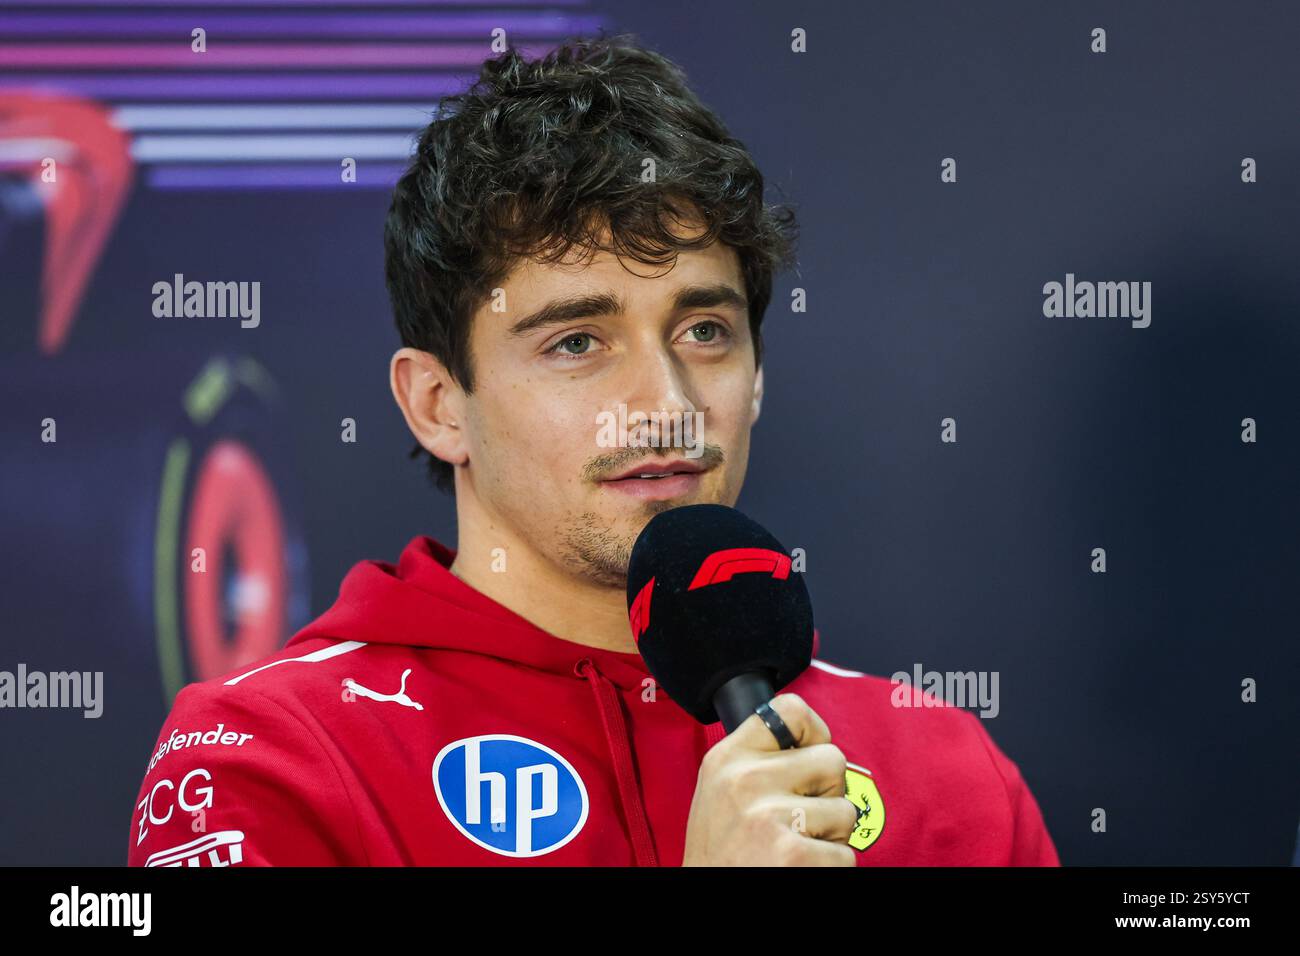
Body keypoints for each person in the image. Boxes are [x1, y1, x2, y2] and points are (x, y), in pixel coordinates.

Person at [127, 34, 1059, 867]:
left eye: (704, 330)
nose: (666, 402)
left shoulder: (939, 771)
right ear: (438, 405)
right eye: (577, 342)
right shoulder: (271, 757)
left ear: (760, 373)